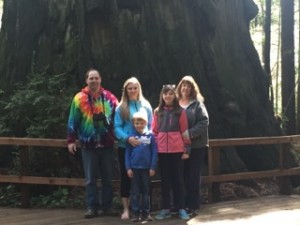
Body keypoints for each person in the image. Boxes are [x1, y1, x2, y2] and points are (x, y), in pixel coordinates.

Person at [67, 68, 119, 218]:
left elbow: (119, 117)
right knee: (90, 179)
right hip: (88, 145)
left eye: (96, 78)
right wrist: (71, 140)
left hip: (107, 144)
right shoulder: (79, 98)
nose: (94, 81)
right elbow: (73, 120)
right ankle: (92, 207)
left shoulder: (109, 97)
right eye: (91, 78)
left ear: (100, 79)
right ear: (86, 80)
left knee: (107, 177)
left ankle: (107, 206)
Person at [114, 77, 153, 220]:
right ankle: (127, 209)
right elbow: (116, 127)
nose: (132, 90)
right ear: (126, 90)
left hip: (143, 148)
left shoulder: (146, 105)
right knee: (126, 177)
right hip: (126, 147)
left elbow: (151, 125)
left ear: (139, 89)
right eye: (129, 88)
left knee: (145, 178)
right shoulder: (121, 107)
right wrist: (127, 138)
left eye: (135, 88)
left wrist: (147, 139)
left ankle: (146, 210)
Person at [152, 84, 191, 220]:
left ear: (175, 95)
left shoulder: (180, 112)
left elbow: (185, 132)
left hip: (177, 150)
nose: (167, 96)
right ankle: (166, 208)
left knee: (178, 180)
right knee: (165, 180)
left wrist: (187, 149)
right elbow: (155, 132)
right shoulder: (157, 112)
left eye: (170, 94)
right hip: (163, 151)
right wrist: (157, 146)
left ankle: (181, 208)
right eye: (165, 94)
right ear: (162, 96)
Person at [176, 75, 209, 216]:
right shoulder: (175, 103)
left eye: (188, 86)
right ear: (180, 87)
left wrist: (189, 133)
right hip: (178, 146)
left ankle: (192, 205)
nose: (185, 88)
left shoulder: (197, 105)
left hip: (196, 146)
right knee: (180, 176)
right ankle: (180, 204)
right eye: (183, 85)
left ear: (192, 89)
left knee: (193, 176)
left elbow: (204, 121)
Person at [125, 111, 157, 222]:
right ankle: (135, 214)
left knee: (146, 192)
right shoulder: (131, 137)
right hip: (134, 169)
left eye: (141, 122)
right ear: (133, 124)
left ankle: (146, 213)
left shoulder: (150, 136)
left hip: (146, 169)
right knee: (135, 192)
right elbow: (127, 153)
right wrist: (128, 168)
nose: (139, 125)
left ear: (146, 123)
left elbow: (154, 151)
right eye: (136, 123)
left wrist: (153, 167)